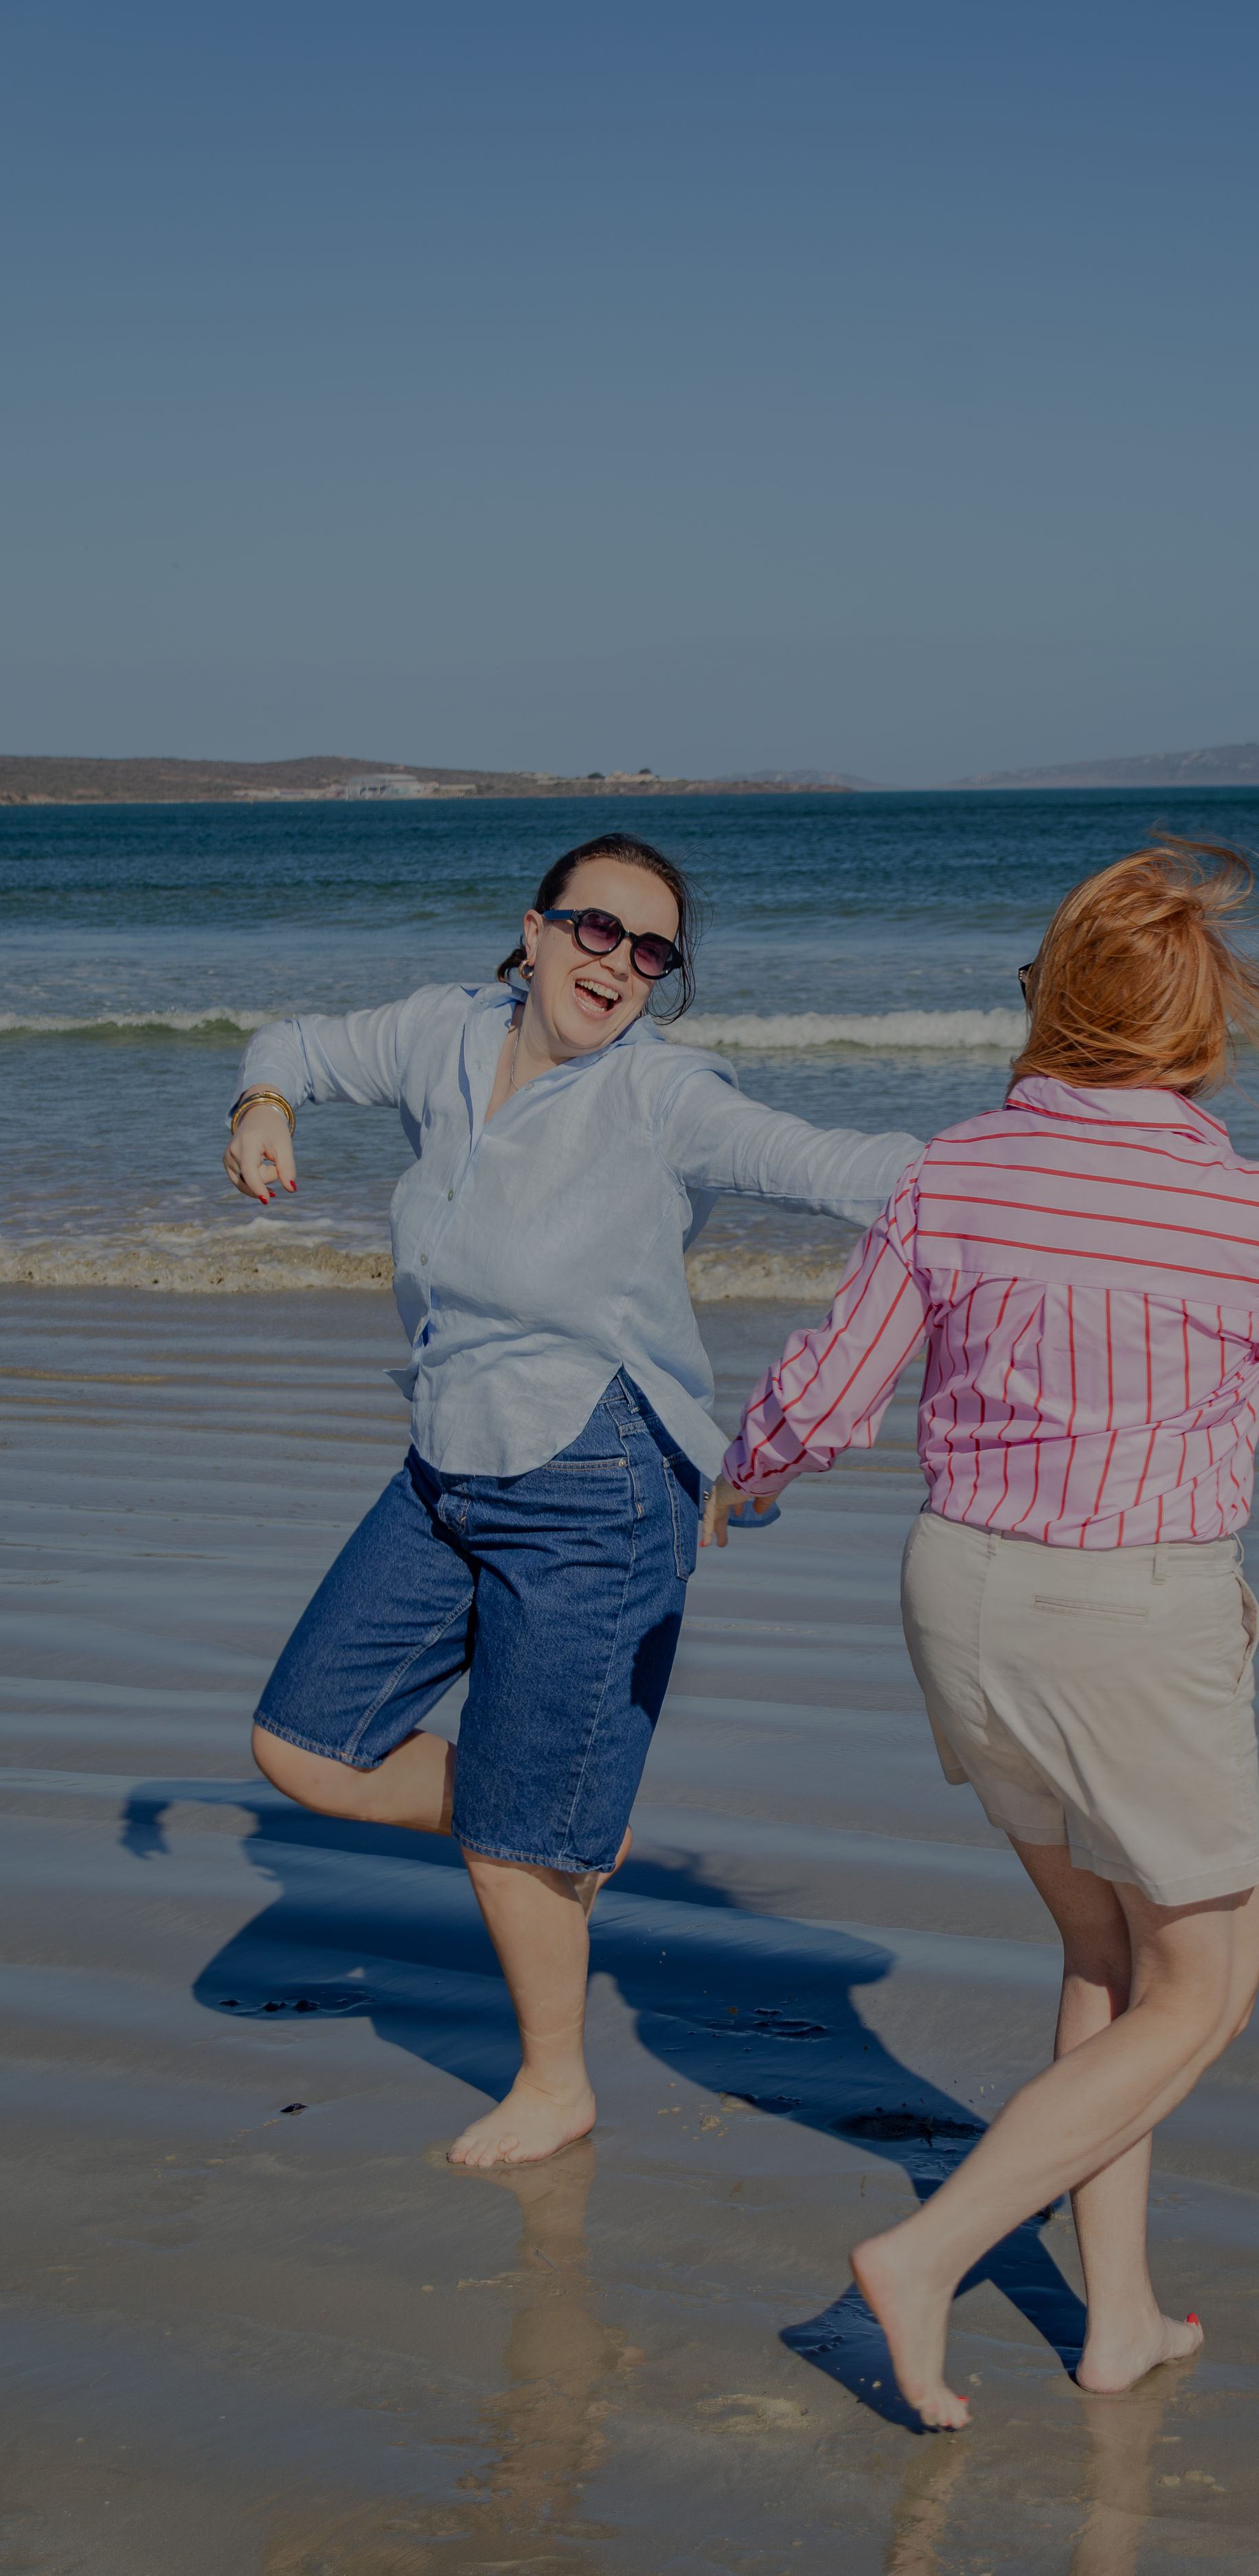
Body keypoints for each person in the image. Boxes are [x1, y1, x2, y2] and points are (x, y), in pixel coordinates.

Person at [706, 837, 1259, 2427]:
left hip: (959, 1593)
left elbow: (829, 1387)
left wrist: (742, 1482)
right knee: (1203, 1991)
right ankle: (927, 2255)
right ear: (1200, 1033)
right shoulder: (1246, 1207)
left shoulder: (952, 1167)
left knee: (1100, 1951)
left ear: (1049, 1003)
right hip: (1126, 1611)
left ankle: (1115, 2312)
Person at [225, 831, 919, 2170]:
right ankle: (553, 1818)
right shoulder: (444, 1034)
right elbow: (294, 1042)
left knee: (513, 1839)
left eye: (651, 954)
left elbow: (828, 1165)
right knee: (305, 1749)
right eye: (597, 932)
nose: (620, 966)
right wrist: (262, 1103)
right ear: (533, 931)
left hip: (595, 1477)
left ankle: (555, 2080)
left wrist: (1035, 1168)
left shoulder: (661, 1097)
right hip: (446, 1458)